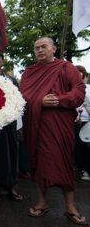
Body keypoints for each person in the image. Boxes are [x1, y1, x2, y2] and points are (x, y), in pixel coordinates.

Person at [20, 37, 87, 225]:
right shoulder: (30, 72)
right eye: (36, 48)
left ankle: (70, 206)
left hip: (61, 124)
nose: (40, 50)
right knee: (40, 162)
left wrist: (60, 99)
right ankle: (42, 203)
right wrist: (40, 101)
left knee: (65, 161)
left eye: (43, 47)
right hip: (38, 125)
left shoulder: (66, 68)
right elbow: (23, 95)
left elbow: (79, 91)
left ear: (54, 48)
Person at [0, 50, 23, 202]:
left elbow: (18, 100)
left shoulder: (11, 80)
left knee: (13, 154)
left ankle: (12, 186)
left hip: (10, 124)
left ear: (3, 61)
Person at [75, 65, 90, 181]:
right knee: (79, 146)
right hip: (76, 121)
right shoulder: (72, 89)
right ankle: (83, 169)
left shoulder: (88, 89)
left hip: (88, 121)